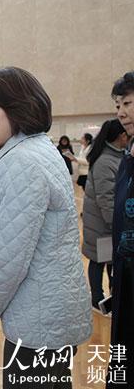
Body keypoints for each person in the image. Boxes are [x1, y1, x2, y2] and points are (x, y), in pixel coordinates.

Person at [0, 67, 92, 388]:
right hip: (54, 307)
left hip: (39, 315)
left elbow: (11, 253)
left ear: (15, 106)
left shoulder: (20, 161)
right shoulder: (40, 150)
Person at [82, 119, 128, 313]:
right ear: (120, 136)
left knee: (108, 261)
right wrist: (116, 223)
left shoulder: (116, 156)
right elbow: (106, 198)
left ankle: (110, 299)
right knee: (98, 261)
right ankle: (97, 299)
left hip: (106, 223)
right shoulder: (105, 161)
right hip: (102, 224)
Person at [107, 71, 134, 388]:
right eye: (117, 106)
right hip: (124, 274)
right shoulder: (127, 155)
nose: (121, 112)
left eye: (127, 103)